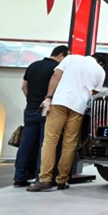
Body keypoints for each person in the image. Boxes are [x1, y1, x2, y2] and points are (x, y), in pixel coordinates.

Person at [27, 53, 106, 192]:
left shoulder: (71, 58)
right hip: (78, 108)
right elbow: (94, 93)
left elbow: (56, 76)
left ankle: (45, 179)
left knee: (50, 140)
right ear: (100, 63)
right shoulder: (100, 71)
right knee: (70, 144)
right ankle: (62, 180)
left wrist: (48, 96)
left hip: (60, 102)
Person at [13, 45, 69, 187]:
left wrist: (30, 100)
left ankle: (19, 177)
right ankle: (40, 176)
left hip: (30, 106)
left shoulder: (33, 65)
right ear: (61, 55)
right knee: (44, 144)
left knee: (26, 143)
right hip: (46, 106)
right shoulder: (57, 69)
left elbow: (23, 86)